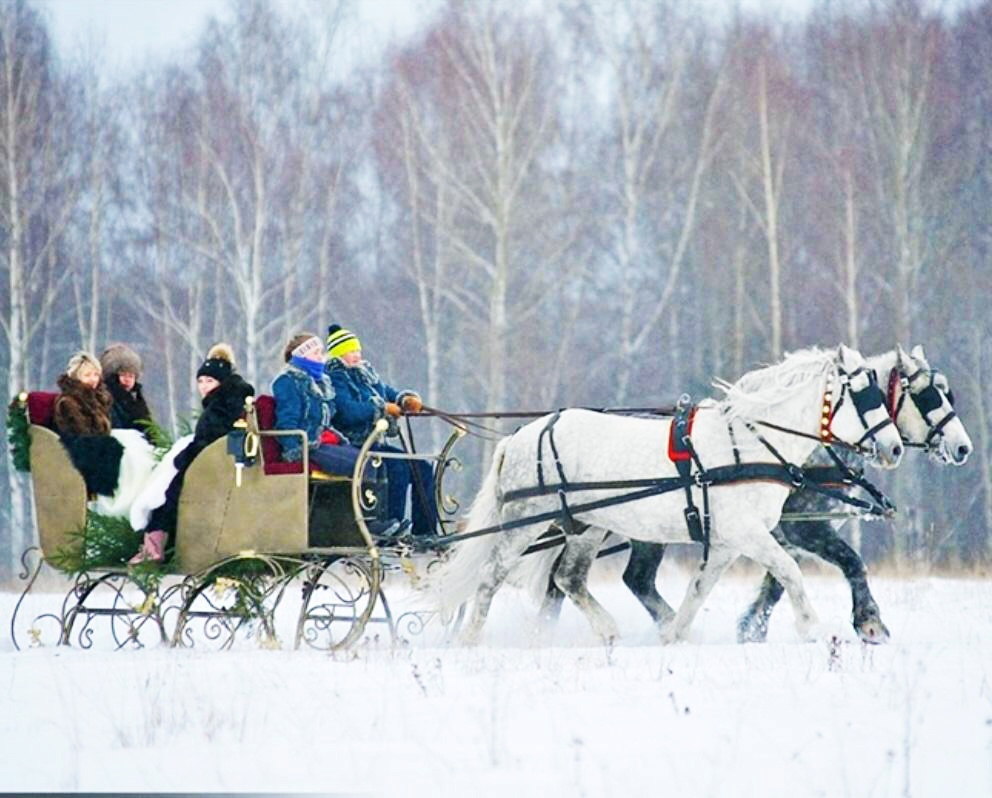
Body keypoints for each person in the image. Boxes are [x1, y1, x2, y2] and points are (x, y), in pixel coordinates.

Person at [129, 343, 254, 564]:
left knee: (168, 494)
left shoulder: (219, 407)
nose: (204, 387)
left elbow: (207, 441)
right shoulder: (232, 401)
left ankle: (155, 546)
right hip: (221, 465)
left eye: (210, 381)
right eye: (201, 381)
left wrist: (181, 459)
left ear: (221, 382)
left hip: (211, 467)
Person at [324, 324, 437, 537]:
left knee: (422, 468)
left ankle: (426, 531)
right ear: (339, 354)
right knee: (398, 467)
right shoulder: (336, 377)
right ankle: (392, 525)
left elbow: (388, 392)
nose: (357, 355)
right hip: (355, 444)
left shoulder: (365, 374)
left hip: (376, 443)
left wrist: (405, 400)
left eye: (358, 350)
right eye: (351, 351)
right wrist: (381, 408)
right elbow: (348, 412)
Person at [99, 343, 153, 436]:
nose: (127, 380)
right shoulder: (106, 399)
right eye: (123, 375)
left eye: (131, 376)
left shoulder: (136, 400)